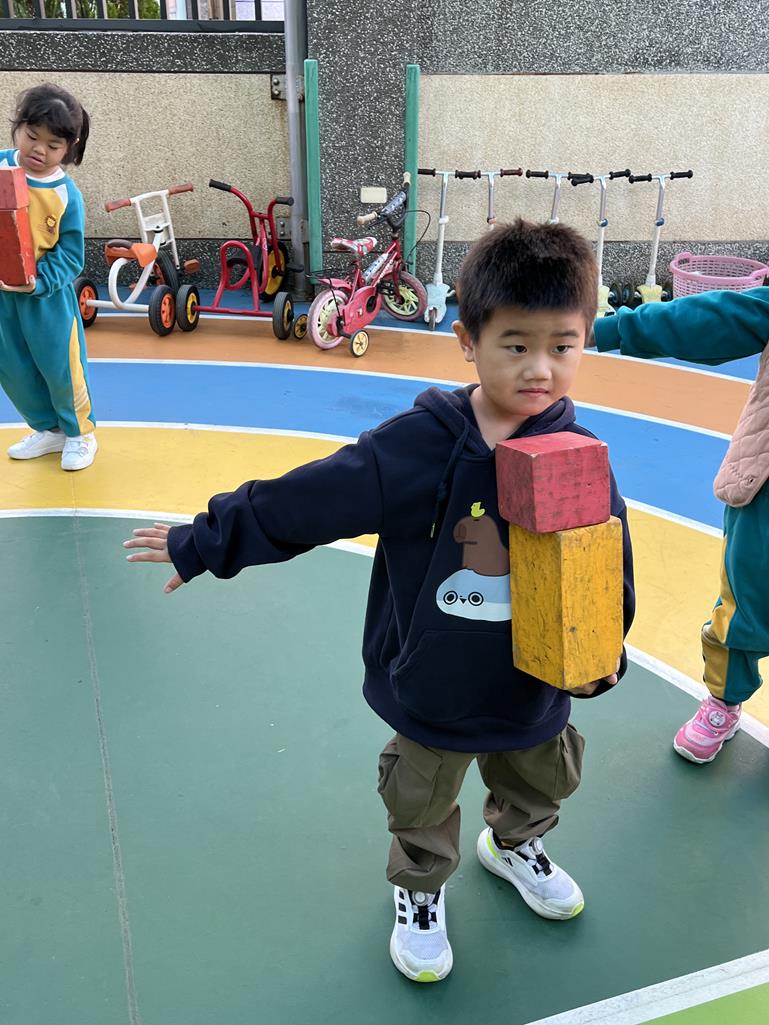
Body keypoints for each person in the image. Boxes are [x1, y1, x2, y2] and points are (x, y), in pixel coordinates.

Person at [124, 219, 635, 983]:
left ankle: (515, 843)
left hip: (534, 684)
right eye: (515, 344)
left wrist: (601, 648)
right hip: (435, 683)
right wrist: (206, 541)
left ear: (584, 339)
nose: (540, 369)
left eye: (562, 346)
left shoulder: (581, 452)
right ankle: (421, 887)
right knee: (421, 800)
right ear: (466, 340)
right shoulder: (418, 447)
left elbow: (608, 557)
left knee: (539, 778)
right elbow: (310, 498)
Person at [593, 288, 769, 764]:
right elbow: (714, 319)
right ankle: (724, 700)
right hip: (765, 490)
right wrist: (611, 329)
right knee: (745, 605)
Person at [0, 83, 97, 471]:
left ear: (69, 149)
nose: (38, 149)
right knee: (13, 368)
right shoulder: (2, 167)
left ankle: (80, 433)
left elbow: (71, 256)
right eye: (31, 136)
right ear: (18, 128)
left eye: (53, 144)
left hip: (46, 300)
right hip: (3, 297)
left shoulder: (65, 194)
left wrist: (38, 282)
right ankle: (49, 429)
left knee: (60, 369)